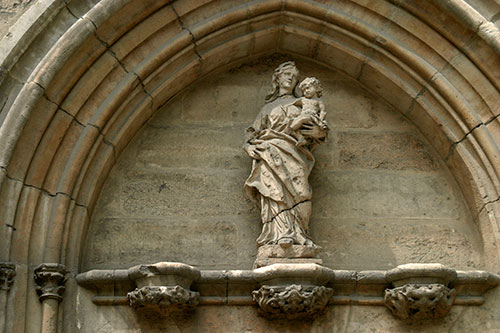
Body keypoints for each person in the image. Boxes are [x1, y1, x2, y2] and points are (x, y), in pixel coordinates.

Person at [243, 62, 327, 248]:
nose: (290, 78)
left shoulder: (302, 105)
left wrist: (317, 133)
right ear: (277, 78)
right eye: (286, 74)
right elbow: (251, 134)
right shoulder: (267, 109)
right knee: (275, 194)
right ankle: (279, 236)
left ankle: (299, 233)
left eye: (294, 76)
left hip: (296, 155)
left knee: (302, 193)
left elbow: (318, 131)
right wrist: (249, 148)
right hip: (270, 155)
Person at [288, 77, 328, 147]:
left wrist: (320, 122)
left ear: (316, 88)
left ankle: (292, 129)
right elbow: (291, 103)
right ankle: (300, 138)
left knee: (300, 120)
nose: (306, 91)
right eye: (303, 90)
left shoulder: (318, 101)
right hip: (303, 116)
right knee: (294, 128)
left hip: (311, 117)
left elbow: (323, 111)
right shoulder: (303, 99)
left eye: (308, 88)